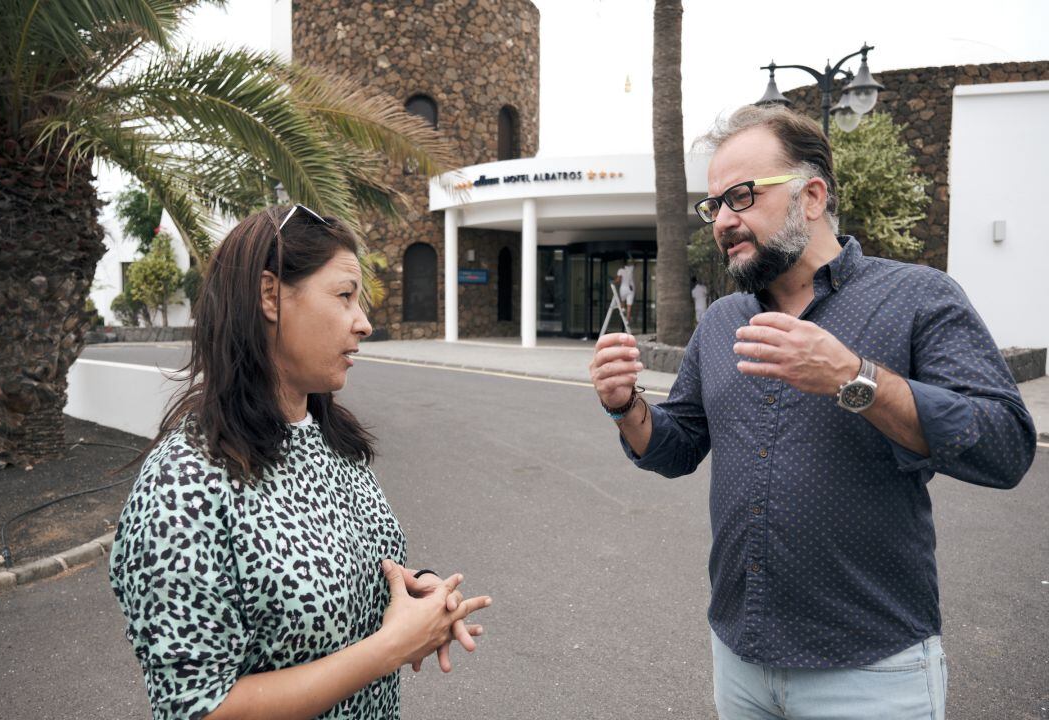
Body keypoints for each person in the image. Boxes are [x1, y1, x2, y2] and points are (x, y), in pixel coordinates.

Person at [588, 106, 1035, 720]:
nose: (723, 220)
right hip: (740, 663)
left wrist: (856, 380)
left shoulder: (916, 297)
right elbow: (676, 447)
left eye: (741, 196)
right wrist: (626, 405)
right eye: (713, 205)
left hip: (872, 672)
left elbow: (1006, 447)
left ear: (813, 195)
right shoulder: (722, 322)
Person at [109, 205, 491, 720]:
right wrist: (388, 650)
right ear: (270, 295)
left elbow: (336, 572)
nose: (365, 323)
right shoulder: (184, 488)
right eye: (344, 296)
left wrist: (410, 592)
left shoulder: (330, 440)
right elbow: (198, 708)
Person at [616, 258, 636, 325]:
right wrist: (631, 257)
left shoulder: (620, 270)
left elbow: (618, 280)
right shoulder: (630, 268)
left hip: (623, 288)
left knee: (623, 300)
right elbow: (634, 264)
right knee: (629, 306)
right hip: (631, 288)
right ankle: (627, 321)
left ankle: (623, 309)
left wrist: (612, 281)